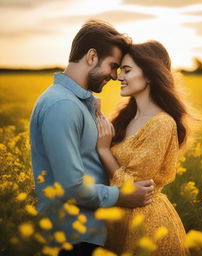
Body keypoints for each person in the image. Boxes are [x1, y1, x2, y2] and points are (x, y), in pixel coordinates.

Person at [29, 20, 155, 256]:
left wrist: (90, 106)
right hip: (72, 240)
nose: (116, 76)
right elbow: (72, 187)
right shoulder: (62, 105)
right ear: (92, 56)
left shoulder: (74, 103)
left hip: (84, 236)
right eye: (113, 66)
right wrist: (123, 196)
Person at [96, 41, 202, 255]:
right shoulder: (123, 117)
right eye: (119, 70)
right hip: (117, 219)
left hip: (146, 224)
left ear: (149, 75)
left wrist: (104, 151)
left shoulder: (162, 123)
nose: (118, 77)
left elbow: (136, 188)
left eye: (127, 70)